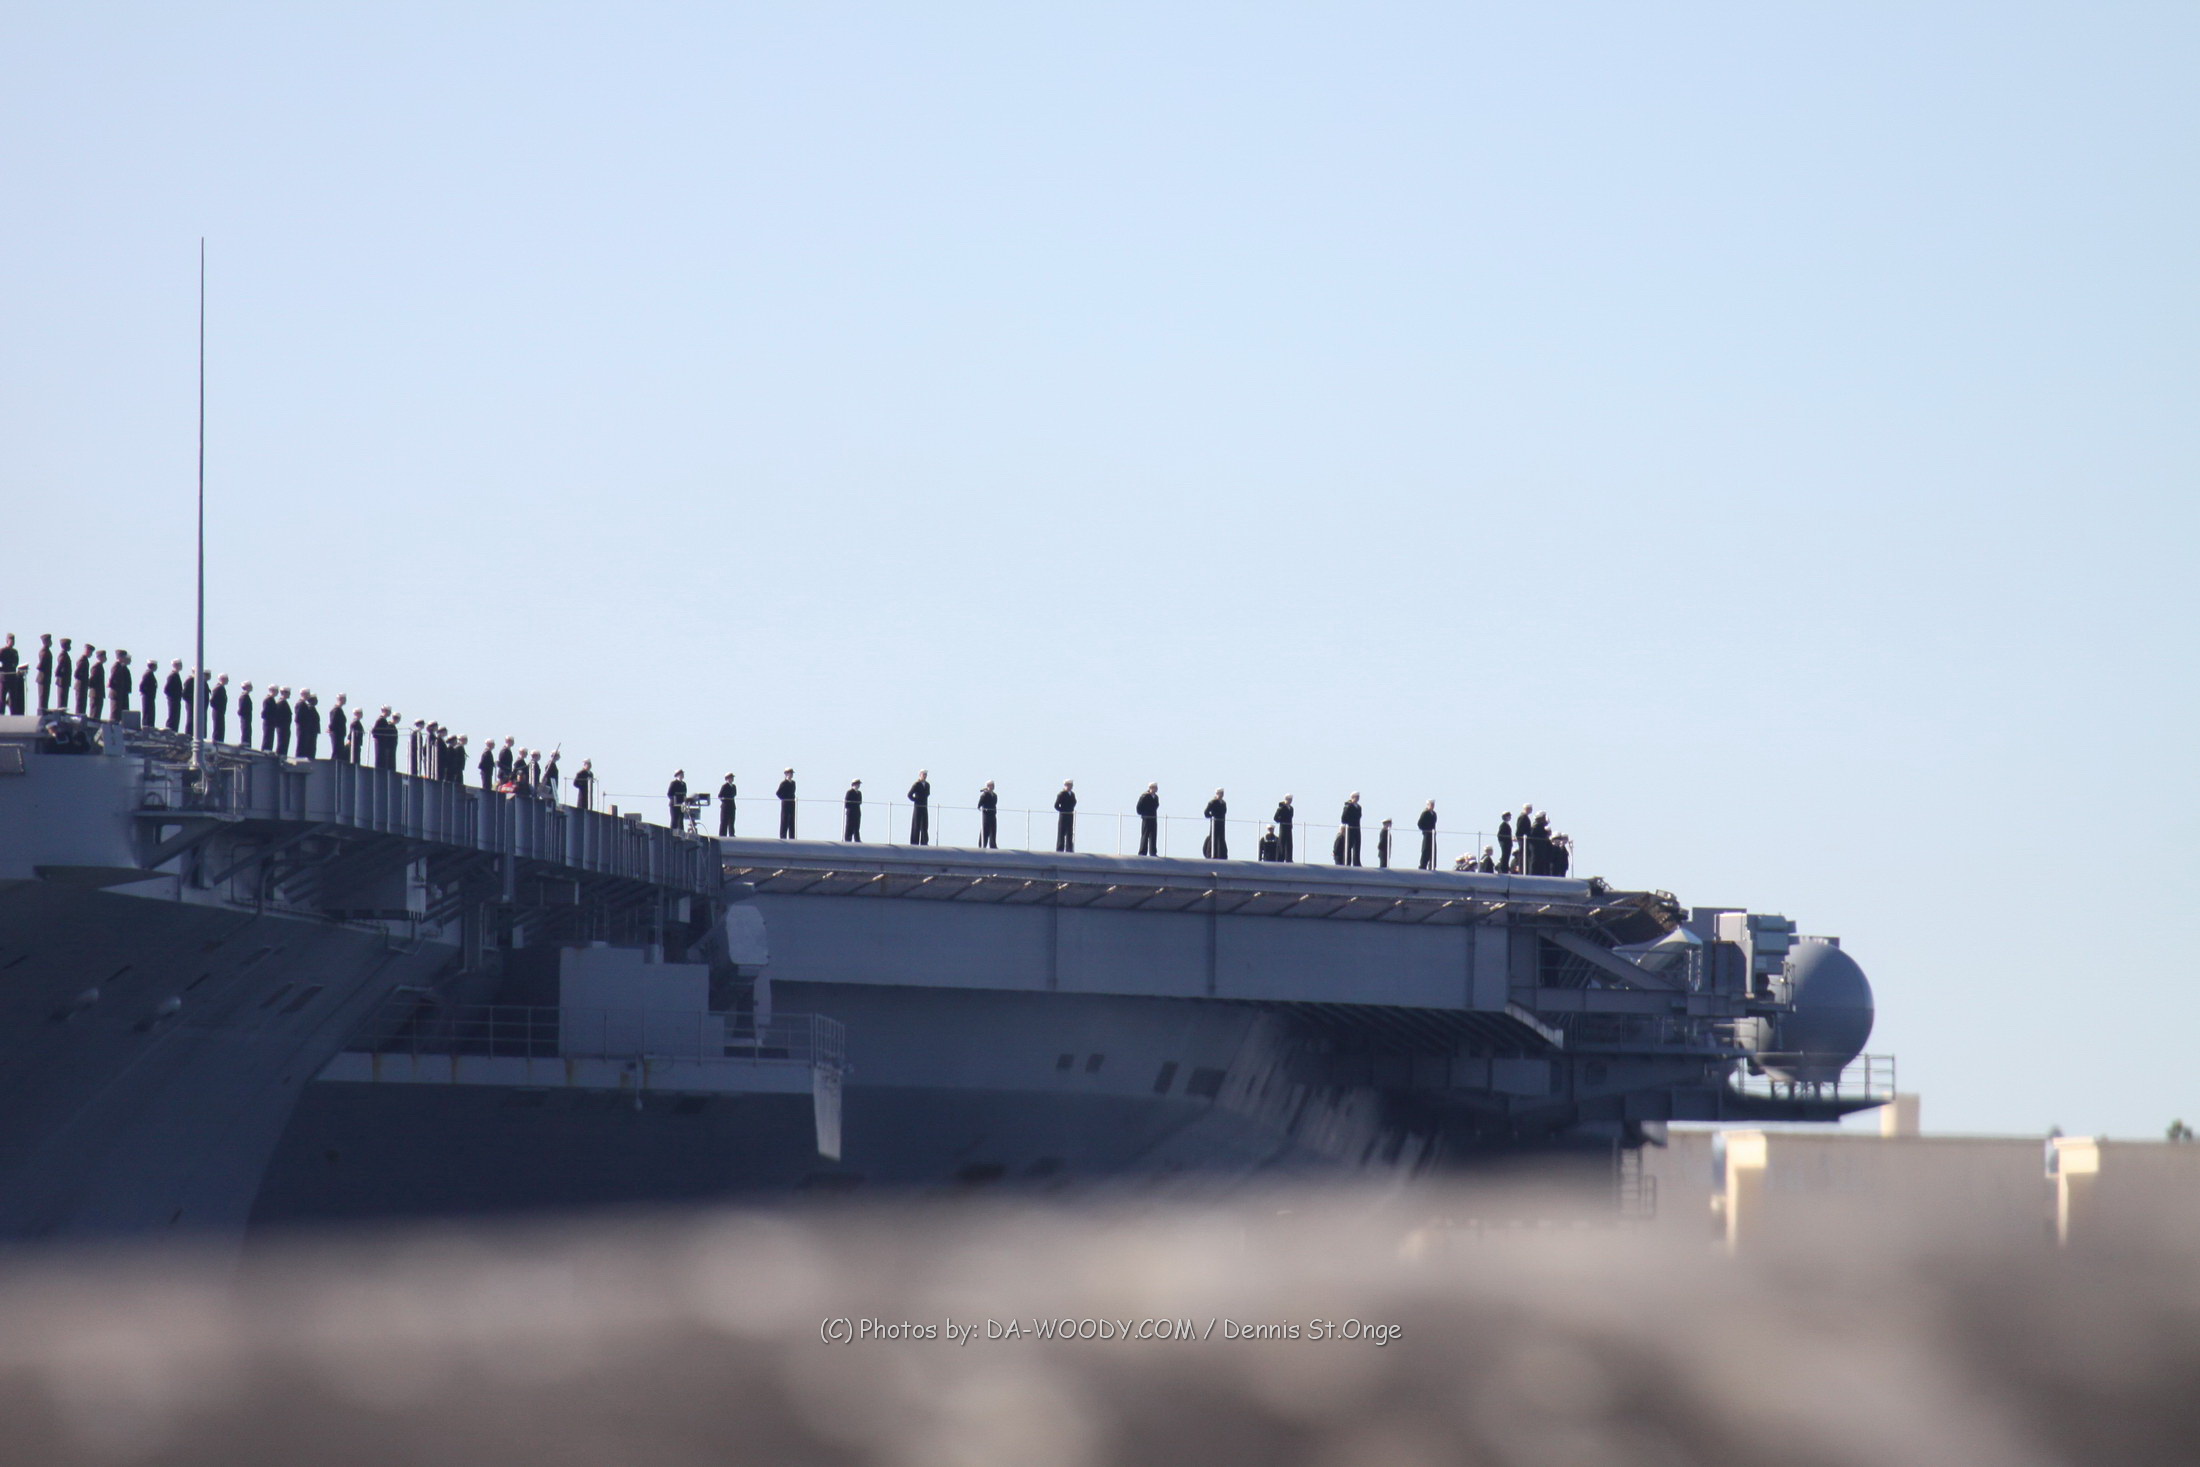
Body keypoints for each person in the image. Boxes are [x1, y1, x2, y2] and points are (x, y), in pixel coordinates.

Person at [0, 634, 24, 716]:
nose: (12, 642)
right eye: (11, 640)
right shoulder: (2, 651)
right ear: (7, 641)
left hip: (12, 677)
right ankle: (1, 713)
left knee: (13, 698)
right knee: (2, 697)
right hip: (4, 677)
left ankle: (13, 714)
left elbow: (16, 663)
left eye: (13, 640)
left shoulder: (15, 652)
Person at [1203, 789, 1228, 860]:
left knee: (1221, 837)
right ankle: (1211, 853)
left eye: (1222, 793)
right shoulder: (1213, 802)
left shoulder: (1223, 803)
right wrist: (1212, 817)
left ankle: (1222, 854)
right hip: (1215, 822)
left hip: (1221, 822)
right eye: (1220, 793)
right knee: (1213, 837)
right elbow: (1206, 812)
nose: (1222, 794)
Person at [1136, 784, 1160, 856]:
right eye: (1155, 787)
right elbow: (1139, 807)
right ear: (1151, 788)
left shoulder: (1156, 797)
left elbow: (1156, 806)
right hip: (1146, 818)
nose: (1156, 789)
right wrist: (1143, 814)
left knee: (1153, 835)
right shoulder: (1144, 796)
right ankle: (1142, 852)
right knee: (1145, 835)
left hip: (1153, 818)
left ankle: (1153, 852)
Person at [1339, 793, 1363, 866]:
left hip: (1357, 828)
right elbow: (1343, 818)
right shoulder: (1348, 806)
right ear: (1352, 797)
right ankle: (1347, 862)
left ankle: (1357, 862)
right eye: (1356, 797)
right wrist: (1349, 824)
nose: (1358, 798)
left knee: (1357, 845)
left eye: (1358, 797)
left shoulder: (1359, 807)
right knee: (1348, 845)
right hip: (1350, 828)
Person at [907, 771, 931, 845]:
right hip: (917, 806)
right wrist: (915, 800)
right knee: (916, 824)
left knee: (924, 824)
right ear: (920, 775)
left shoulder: (927, 785)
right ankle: (914, 842)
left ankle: (924, 842)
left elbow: (927, 794)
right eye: (923, 774)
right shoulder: (916, 784)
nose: (924, 776)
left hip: (924, 806)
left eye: (925, 775)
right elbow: (909, 794)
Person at [296, 692, 321, 760]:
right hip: (310, 731)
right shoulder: (309, 708)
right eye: (314, 699)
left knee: (312, 746)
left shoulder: (312, 708)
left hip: (313, 730)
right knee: (310, 746)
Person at [1054, 780, 1077, 853]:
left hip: (1070, 815)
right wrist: (1062, 810)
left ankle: (1069, 849)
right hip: (1063, 816)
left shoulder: (1072, 794)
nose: (1069, 786)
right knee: (1061, 832)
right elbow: (1056, 805)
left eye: (1070, 785)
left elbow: (1074, 802)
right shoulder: (1061, 794)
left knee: (1070, 832)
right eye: (1068, 785)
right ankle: (1060, 849)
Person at [163, 661, 185, 733]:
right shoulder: (172, 675)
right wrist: (172, 697)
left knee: (176, 716)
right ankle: (170, 731)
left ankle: (174, 731)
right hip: (173, 699)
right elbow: (166, 689)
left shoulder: (176, 675)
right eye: (179, 665)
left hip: (176, 699)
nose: (181, 666)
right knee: (172, 715)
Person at [1416, 801, 1438, 871]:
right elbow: (1420, 824)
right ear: (1427, 805)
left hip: (1432, 834)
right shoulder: (1425, 813)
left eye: (1433, 805)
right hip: (1427, 834)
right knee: (1425, 850)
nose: (1432, 806)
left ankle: (1432, 866)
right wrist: (1426, 830)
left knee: (1433, 850)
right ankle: (1423, 866)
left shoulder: (1434, 814)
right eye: (1431, 805)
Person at [34, 634, 53, 714]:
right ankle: (41, 714)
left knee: (45, 698)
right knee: (42, 698)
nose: (51, 642)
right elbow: (41, 665)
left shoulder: (47, 651)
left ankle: (44, 712)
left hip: (45, 678)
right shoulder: (44, 652)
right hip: (42, 678)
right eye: (49, 640)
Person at [1273, 795, 1295, 861]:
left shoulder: (1291, 808)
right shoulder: (1281, 808)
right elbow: (1275, 818)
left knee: (1289, 843)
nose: (1290, 801)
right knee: (1281, 843)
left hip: (1289, 827)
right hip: (1283, 827)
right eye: (1289, 799)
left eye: (1291, 799)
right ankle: (1280, 858)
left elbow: (1291, 818)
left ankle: (1289, 859)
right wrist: (1282, 821)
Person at [977, 781, 998, 849]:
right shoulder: (984, 794)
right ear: (988, 786)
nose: (992, 787)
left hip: (992, 814)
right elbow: (979, 804)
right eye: (991, 785)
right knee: (985, 829)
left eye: (993, 785)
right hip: (986, 814)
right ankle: (982, 844)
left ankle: (993, 845)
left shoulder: (995, 795)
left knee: (993, 829)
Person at [86, 651, 106, 721]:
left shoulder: (100, 666)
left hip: (99, 694)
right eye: (104, 657)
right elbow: (92, 680)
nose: (105, 658)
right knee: (94, 713)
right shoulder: (96, 667)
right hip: (95, 694)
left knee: (97, 713)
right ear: (100, 657)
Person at [777, 769, 798, 838]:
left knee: (792, 820)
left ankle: (792, 837)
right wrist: (784, 798)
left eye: (792, 773)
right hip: (786, 803)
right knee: (784, 819)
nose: (791, 774)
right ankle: (783, 837)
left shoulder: (793, 783)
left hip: (792, 803)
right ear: (786, 774)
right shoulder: (784, 783)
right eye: (789, 773)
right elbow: (778, 793)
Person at [208, 674, 228, 743]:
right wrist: (217, 707)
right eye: (226, 679)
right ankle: (217, 740)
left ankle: (220, 740)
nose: (228, 680)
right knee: (218, 725)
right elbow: (212, 700)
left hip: (220, 711)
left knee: (220, 726)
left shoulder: (221, 688)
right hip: (217, 710)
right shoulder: (218, 688)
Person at [236, 682, 254, 748]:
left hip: (247, 716)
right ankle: (245, 742)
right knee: (245, 728)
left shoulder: (246, 696)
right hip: (245, 716)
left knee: (247, 729)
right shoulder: (244, 696)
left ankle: (247, 742)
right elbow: (242, 708)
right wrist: (242, 713)